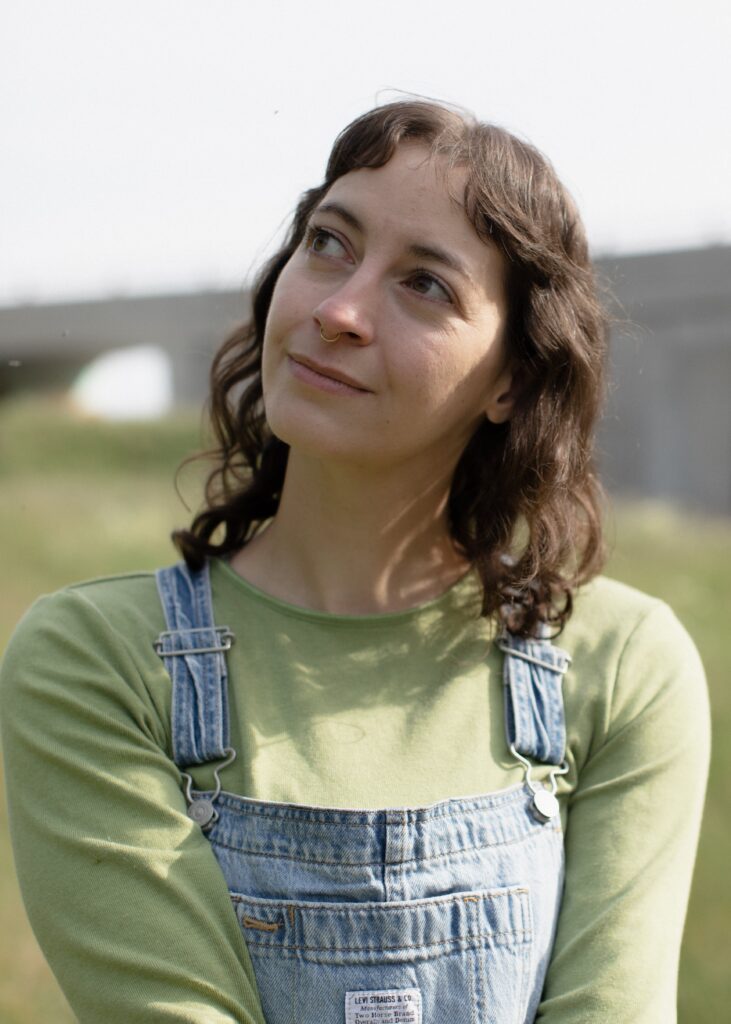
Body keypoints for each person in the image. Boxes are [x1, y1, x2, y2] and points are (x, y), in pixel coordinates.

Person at [0, 100, 709, 1024]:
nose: (336, 310)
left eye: (424, 286)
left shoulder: (620, 668)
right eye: (328, 243)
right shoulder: (96, 662)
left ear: (511, 381)